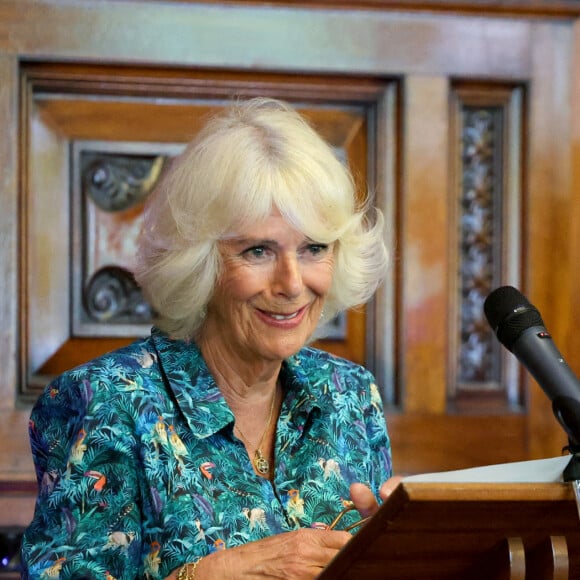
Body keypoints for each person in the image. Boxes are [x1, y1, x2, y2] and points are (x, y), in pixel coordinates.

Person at [21, 97, 394, 579]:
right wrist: (217, 572)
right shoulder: (106, 402)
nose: (292, 283)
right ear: (200, 261)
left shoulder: (350, 396)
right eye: (258, 250)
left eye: (314, 248)